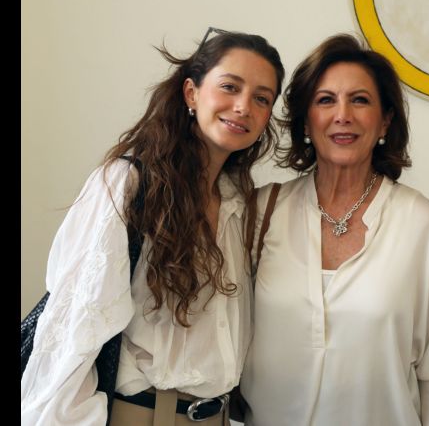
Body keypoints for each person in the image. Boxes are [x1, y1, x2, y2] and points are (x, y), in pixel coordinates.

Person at [20, 27, 285, 426]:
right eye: (230, 86)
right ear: (192, 93)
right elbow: (75, 330)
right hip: (142, 415)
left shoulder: (240, 205)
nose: (244, 106)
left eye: (261, 98)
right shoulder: (128, 183)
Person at [239, 33, 429, 426]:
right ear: (306, 120)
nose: (342, 115)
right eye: (325, 100)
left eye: (360, 100)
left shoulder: (419, 222)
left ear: (385, 121)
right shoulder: (262, 212)